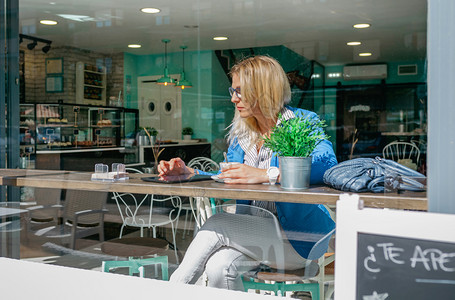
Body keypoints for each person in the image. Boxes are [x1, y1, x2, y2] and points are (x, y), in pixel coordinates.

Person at [158, 55, 337, 290]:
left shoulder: (303, 122)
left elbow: (326, 165)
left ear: (263, 90)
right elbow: (230, 177)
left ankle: (168, 293)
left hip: (297, 240)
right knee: (218, 266)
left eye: (239, 91)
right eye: (233, 90)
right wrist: (190, 173)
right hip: (254, 234)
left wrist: (267, 174)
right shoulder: (243, 137)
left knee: (219, 222)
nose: (233, 98)